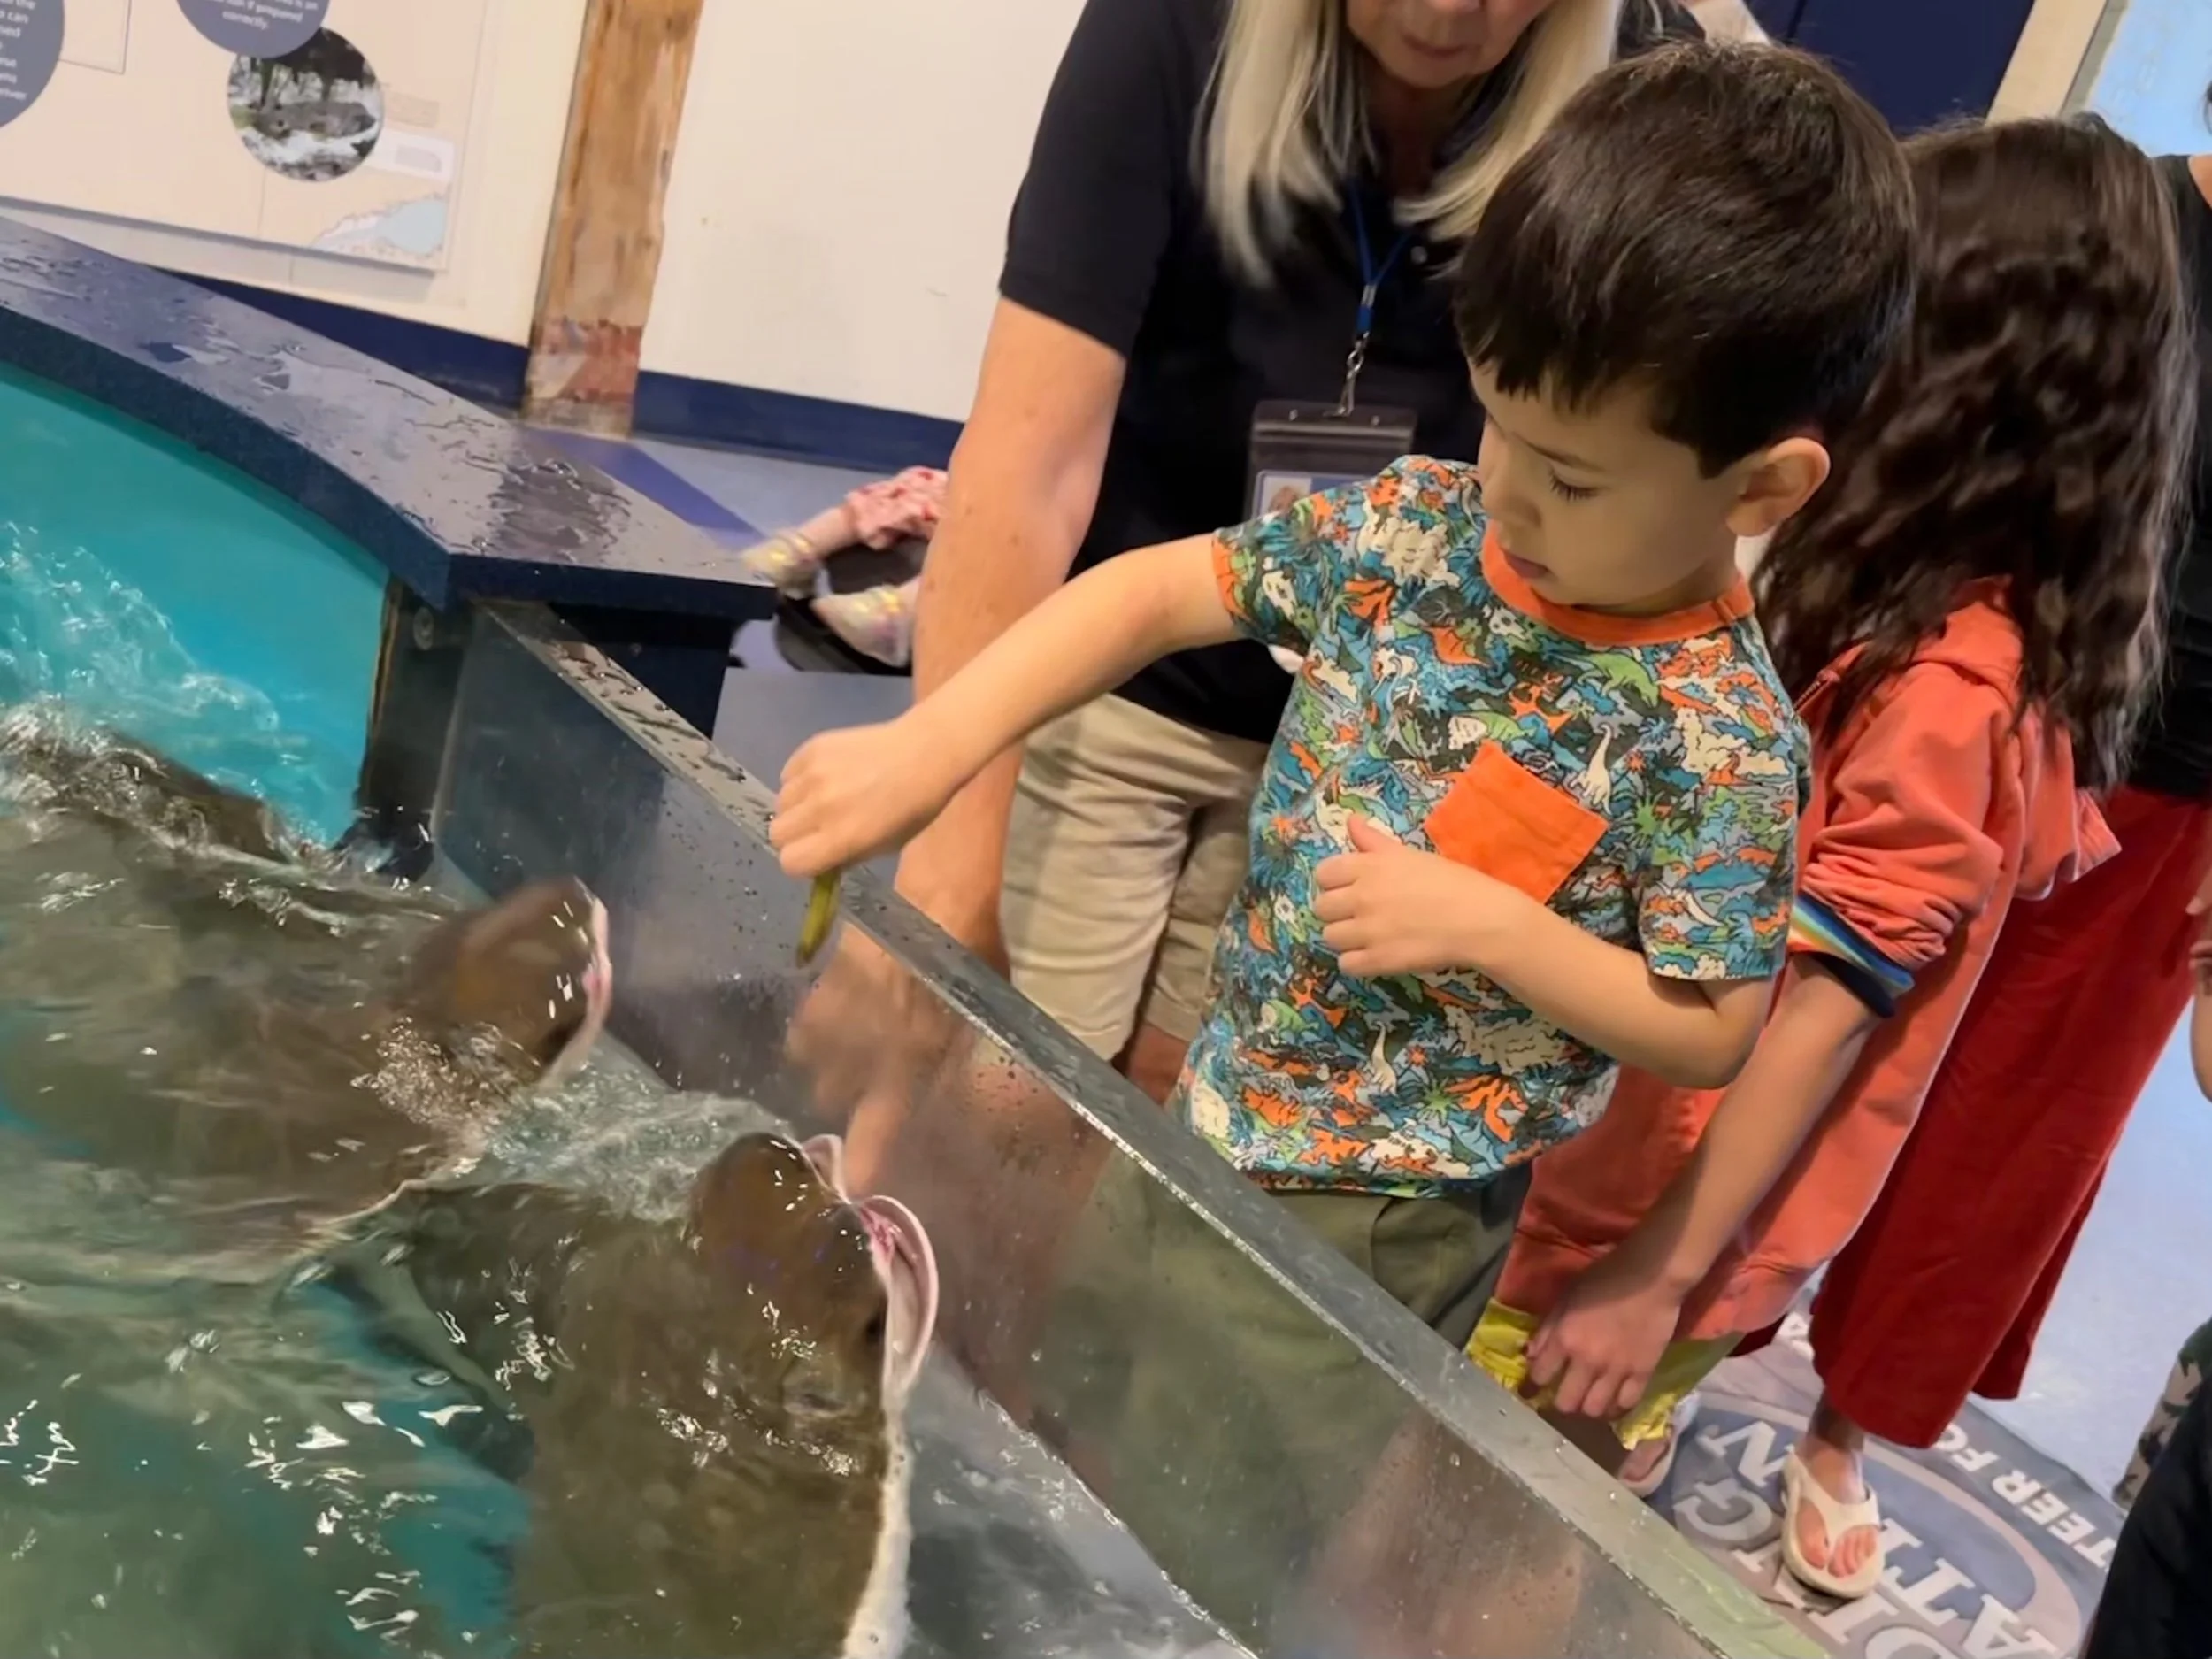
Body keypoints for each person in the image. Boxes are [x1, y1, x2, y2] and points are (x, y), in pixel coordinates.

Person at [776, 37, 1912, 1351]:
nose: (1507, 493)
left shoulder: (1720, 739)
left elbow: (1715, 1026)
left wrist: (1495, 929)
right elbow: (1149, 591)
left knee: (1240, 1510)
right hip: (1221, 1105)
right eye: (1497, 426)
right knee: (1097, 1381)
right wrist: (933, 745)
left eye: (1574, 478)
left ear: (1763, 488)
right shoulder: (1421, 531)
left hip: (1390, 1214)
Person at [1468, 114, 2193, 1601]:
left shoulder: (1952, 687)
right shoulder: (1926, 607)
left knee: (1491, 1524)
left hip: (1636, 1230)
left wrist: (1660, 1273)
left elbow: (1831, 1001)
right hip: (1628, 1188)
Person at [789, 0, 1703, 1148]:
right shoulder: (1171, 36)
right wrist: (945, 845)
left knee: (1189, 1124)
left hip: (1378, 733)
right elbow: (1035, 467)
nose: (1450, 11)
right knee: (1003, 1094)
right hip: (1123, 670)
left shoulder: (1653, 85)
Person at [1761, 130, 2212, 1580]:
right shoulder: (2114, 216)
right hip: (1973, 697)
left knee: (2007, 1139)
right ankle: (1693, 1309)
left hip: (2176, 785)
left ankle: (1848, 1420)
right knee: (1798, 1024)